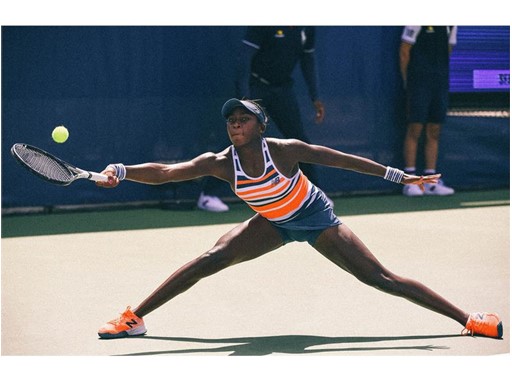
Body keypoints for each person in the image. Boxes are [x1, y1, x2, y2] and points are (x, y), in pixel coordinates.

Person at [96, 98, 502, 340]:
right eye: (231, 121)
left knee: (379, 278)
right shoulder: (220, 163)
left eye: (244, 119)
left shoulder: (285, 150)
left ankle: (468, 319)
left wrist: (400, 175)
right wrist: (122, 169)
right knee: (211, 258)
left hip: (315, 218)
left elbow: (341, 159)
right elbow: (166, 172)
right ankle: (134, 319)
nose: (235, 125)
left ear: (260, 125)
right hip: (271, 222)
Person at [400, 26, 457, 197]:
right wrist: (408, 81)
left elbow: (448, 48)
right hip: (418, 83)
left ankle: (431, 182)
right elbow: (404, 50)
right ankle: (410, 182)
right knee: (415, 129)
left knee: (434, 130)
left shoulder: (451, 23)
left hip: (438, 82)